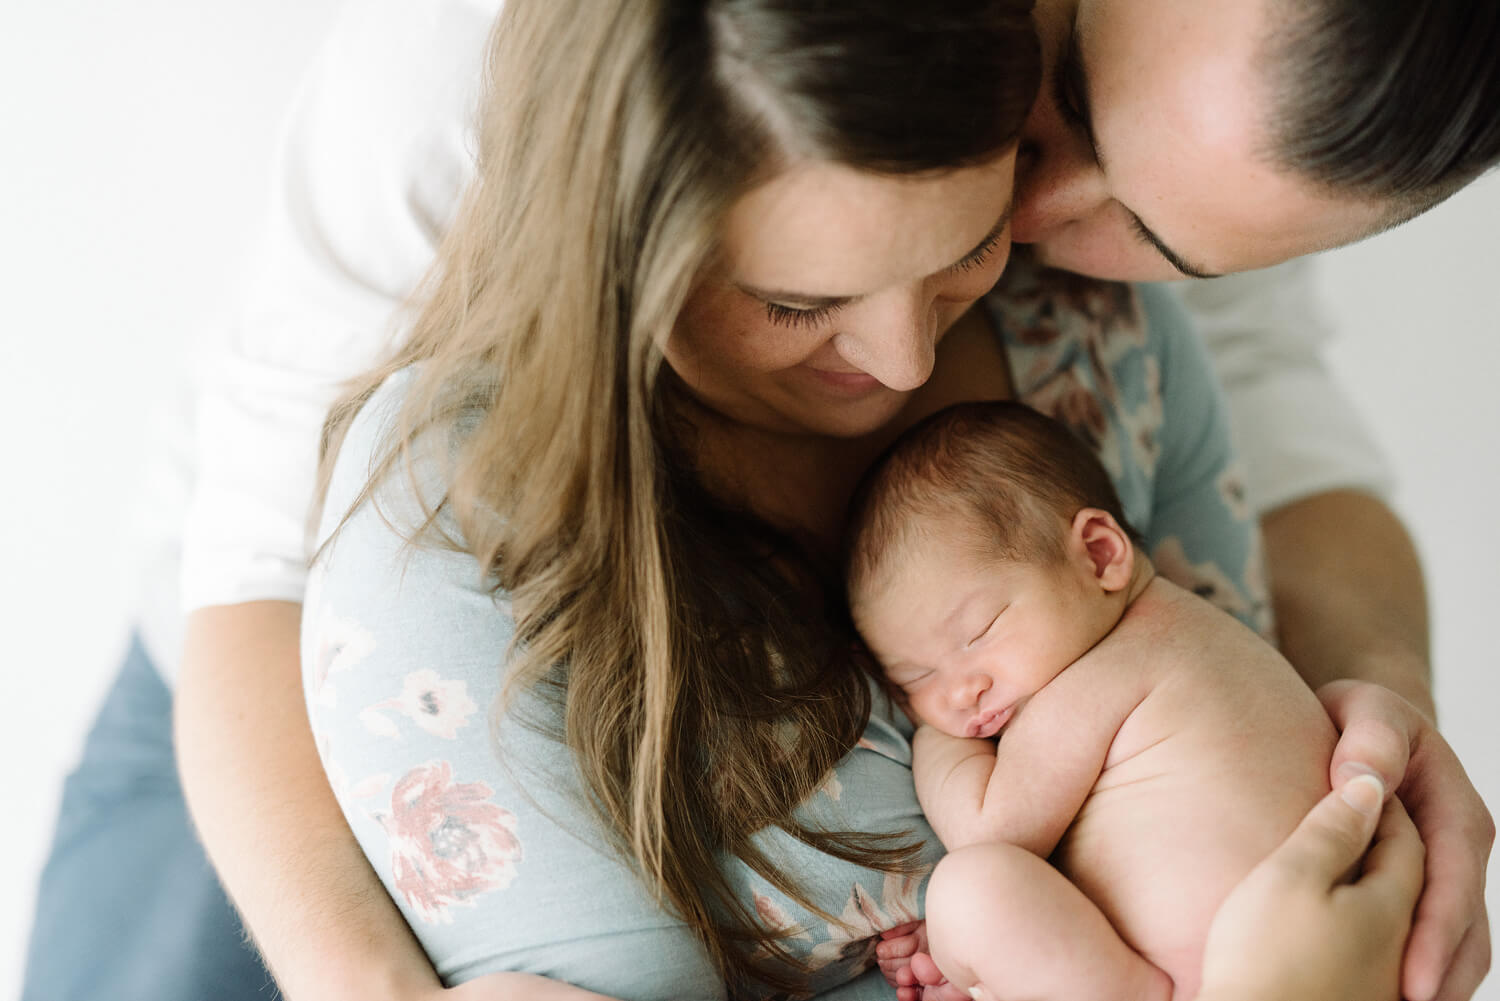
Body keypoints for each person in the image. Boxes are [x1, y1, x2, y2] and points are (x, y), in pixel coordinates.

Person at [20, 0, 1494, 998]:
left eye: (1147, 231)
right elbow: (264, 553)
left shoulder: (1116, 257)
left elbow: (1277, 435)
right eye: (1076, 109)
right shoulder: (465, 89)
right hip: (254, 679)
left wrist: (1368, 737)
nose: (1045, 216)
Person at [842, 401, 1338, 999]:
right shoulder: (1192, 636)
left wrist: (934, 739)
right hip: (1304, 951)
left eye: (979, 631)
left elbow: (989, 830)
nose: (957, 691)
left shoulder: (1107, 669)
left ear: (1100, 555)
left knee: (970, 887)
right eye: (912, 679)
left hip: (1237, 972)